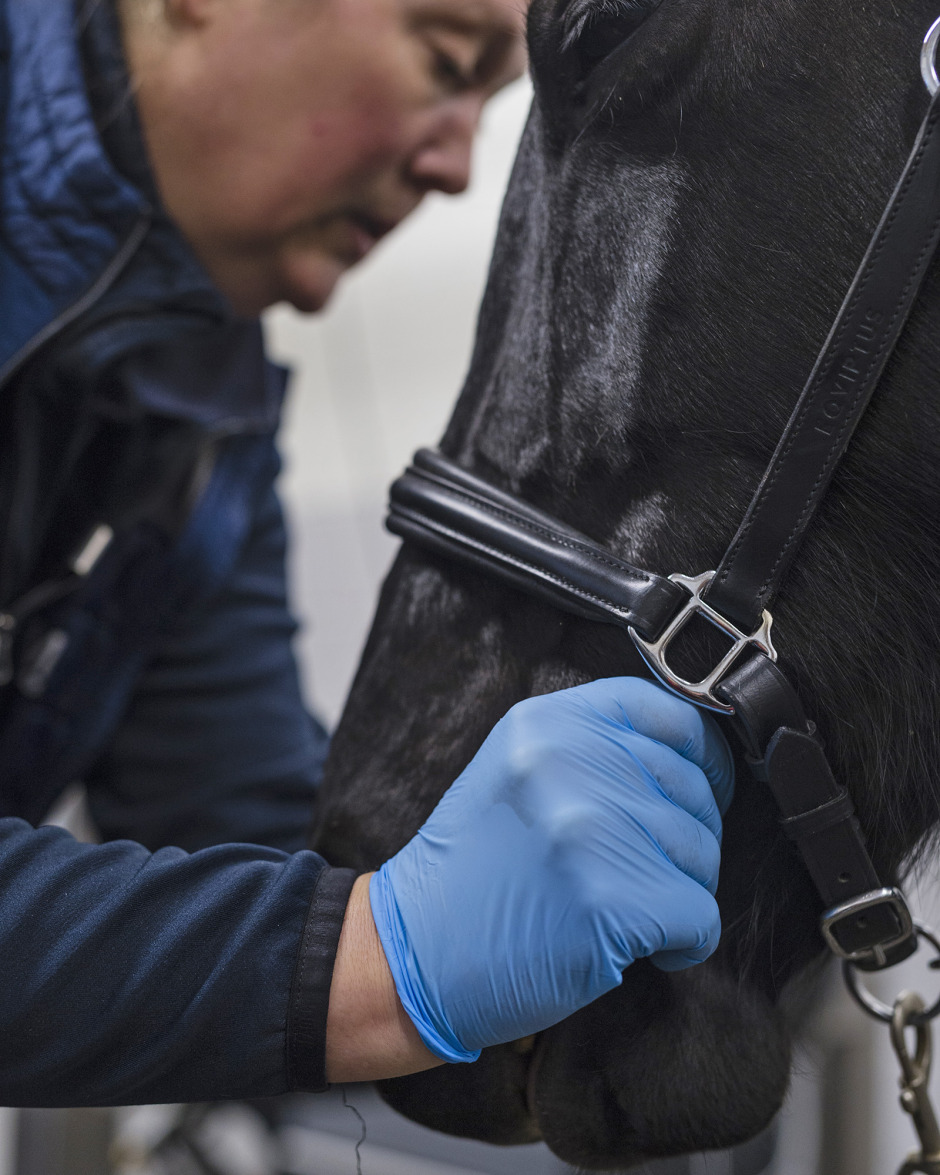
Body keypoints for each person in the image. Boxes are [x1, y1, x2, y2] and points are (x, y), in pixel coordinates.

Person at [0, 0, 734, 1106]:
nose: (454, 166)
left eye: (493, 107)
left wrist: (553, 937)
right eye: (446, 63)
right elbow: (346, 944)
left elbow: (230, 816)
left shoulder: (195, 406)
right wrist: (378, 968)